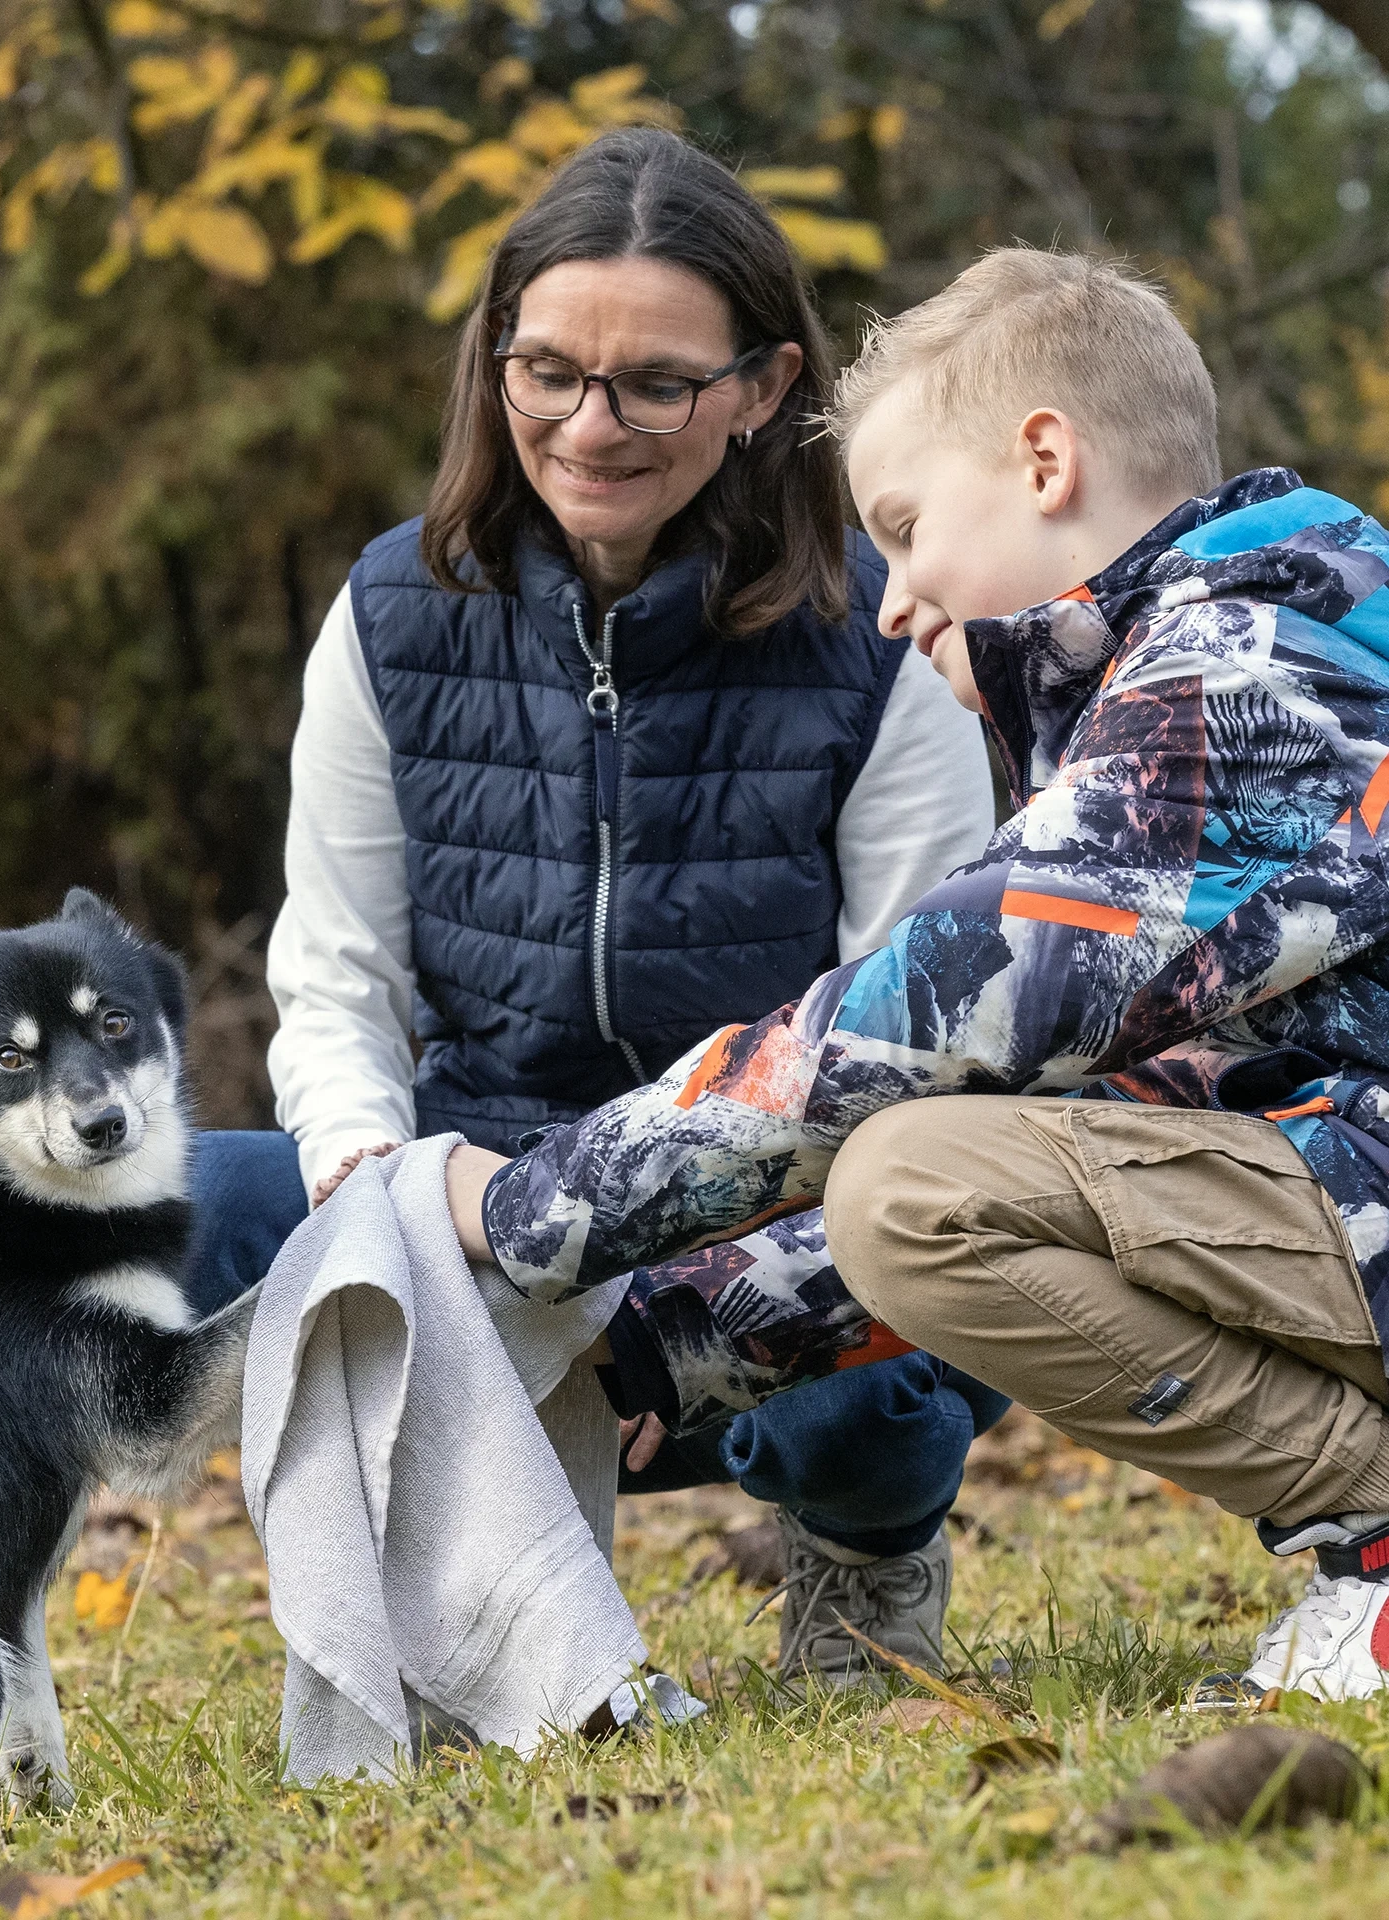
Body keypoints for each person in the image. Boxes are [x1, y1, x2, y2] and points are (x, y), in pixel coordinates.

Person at [446, 245, 1389, 1704]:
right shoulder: (1255, 643)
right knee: (932, 1176)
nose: (888, 602)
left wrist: (527, 1213)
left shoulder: (1248, 680)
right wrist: (668, 1337)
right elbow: (1146, 1124)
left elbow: (918, 1024)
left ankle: (1380, 1537)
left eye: (904, 524)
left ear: (1044, 458)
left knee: (908, 1182)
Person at [189, 126, 1001, 1683]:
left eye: (654, 384)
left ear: (763, 389)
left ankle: (868, 1551)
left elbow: (904, 1052)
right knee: (180, 1207)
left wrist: (665, 1265)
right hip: (468, 1199)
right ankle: (455, 1570)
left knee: (897, 1296)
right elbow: (337, 978)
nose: (588, 424)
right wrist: (382, 1194)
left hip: (761, 1216)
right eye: (545, 369)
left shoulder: (878, 643)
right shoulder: (389, 613)